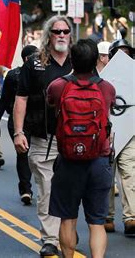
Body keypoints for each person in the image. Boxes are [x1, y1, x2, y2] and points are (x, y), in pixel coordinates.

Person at [46, 39, 115, 258]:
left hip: (68, 161)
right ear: (96, 60)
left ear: (71, 60)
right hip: (99, 160)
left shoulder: (58, 86)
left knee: (68, 218)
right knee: (97, 222)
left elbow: (50, 103)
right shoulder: (107, 88)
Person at [14, 15, 73, 257]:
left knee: (71, 189)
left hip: (74, 139)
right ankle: (50, 239)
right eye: (57, 31)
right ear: (49, 34)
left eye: (65, 31)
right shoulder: (35, 63)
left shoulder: (79, 60)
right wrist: (18, 132)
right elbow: (21, 98)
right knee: (47, 187)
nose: (61, 35)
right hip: (43, 137)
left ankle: (66, 233)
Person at [0, 45, 38, 205]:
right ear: (26, 59)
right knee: (23, 154)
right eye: (34, 57)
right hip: (17, 121)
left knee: (38, 155)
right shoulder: (13, 75)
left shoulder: (42, 73)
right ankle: (25, 189)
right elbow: (4, 100)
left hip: (36, 120)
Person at [104, 39, 135, 236]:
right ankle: (107, 216)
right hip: (107, 134)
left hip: (130, 133)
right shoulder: (103, 79)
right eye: (120, 52)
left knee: (130, 173)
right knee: (106, 177)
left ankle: (131, 216)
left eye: (127, 52)